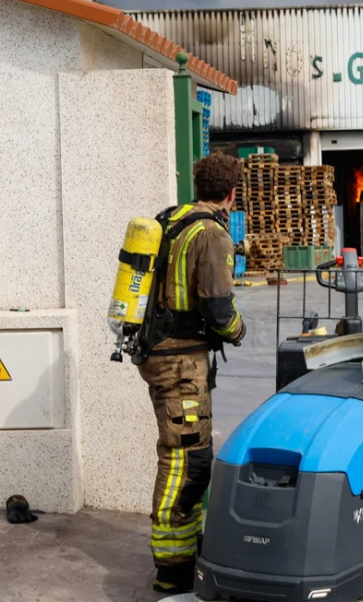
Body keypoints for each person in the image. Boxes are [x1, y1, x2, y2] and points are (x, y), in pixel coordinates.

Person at [138, 152, 247, 596]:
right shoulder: (211, 233)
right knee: (186, 459)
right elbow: (218, 308)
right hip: (179, 360)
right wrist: (238, 330)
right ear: (232, 193)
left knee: (186, 453)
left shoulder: (175, 219)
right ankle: (173, 565)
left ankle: (182, 549)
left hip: (163, 352)